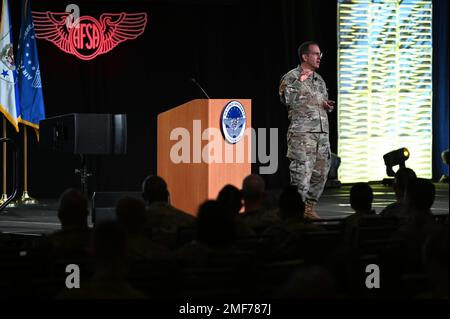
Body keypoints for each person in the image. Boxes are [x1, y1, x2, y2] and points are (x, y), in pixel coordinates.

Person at [279, 41, 335, 219]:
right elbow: (285, 98)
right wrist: (299, 81)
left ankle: (309, 209)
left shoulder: (319, 80)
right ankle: (296, 212)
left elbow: (315, 102)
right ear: (305, 56)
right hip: (302, 136)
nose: (319, 57)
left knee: (321, 174)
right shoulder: (291, 77)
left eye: (320, 54)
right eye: (316, 54)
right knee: (301, 175)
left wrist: (325, 105)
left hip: (322, 136)